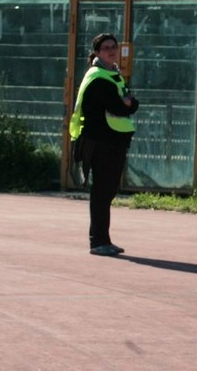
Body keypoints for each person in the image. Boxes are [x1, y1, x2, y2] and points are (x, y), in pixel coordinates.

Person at [69, 33, 139, 257]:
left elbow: (131, 104)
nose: (111, 51)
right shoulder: (98, 77)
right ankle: (98, 241)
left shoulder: (112, 74)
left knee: (107, 192)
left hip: (113, 141)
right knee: (101, 192)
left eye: (113, 47)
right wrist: (126, 103)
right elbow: (119, 106)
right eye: (106, 48)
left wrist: (127, 103)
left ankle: (103, 240)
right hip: (101, 142)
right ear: (97, 52)